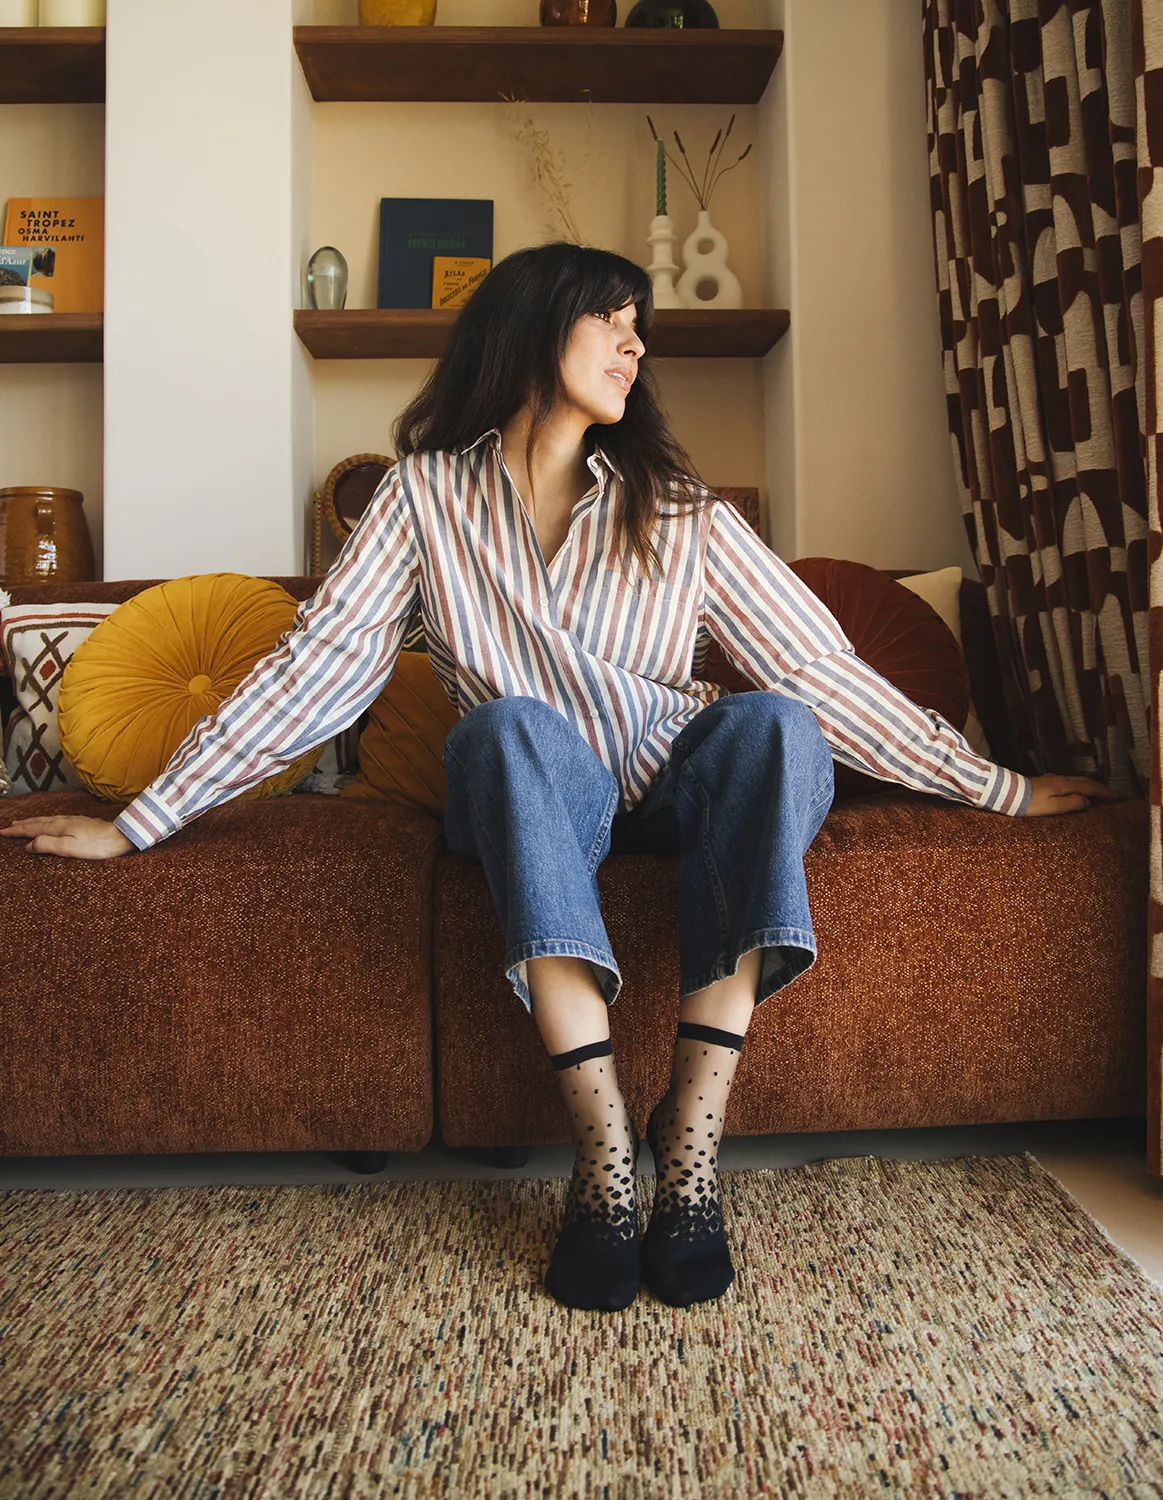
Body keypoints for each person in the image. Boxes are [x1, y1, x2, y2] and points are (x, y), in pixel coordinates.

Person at [1, 243, 1115, 1314]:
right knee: (502, 729)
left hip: (672, 785)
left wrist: (995, 787)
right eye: (610, 320)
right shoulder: (422, 498)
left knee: (776, 721)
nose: (635, 346)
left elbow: (818, 669)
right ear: (533, 332)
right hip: (531, 791)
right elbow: (317, 671)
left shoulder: (677, 507)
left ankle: (688, 1146)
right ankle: (602, 1153)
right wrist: (142, 819)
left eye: (640, 329)